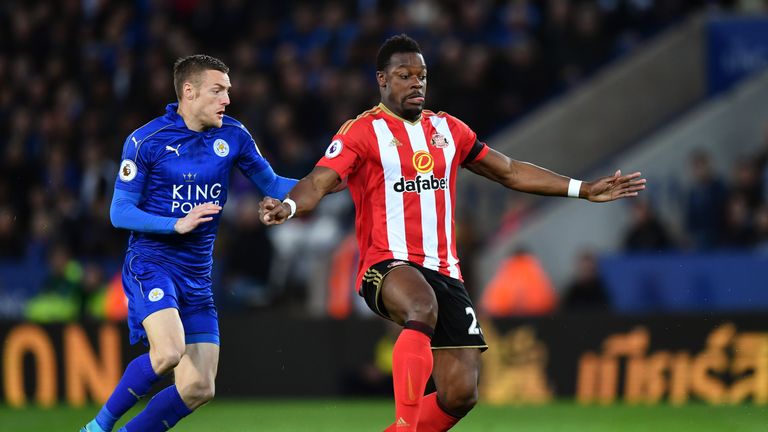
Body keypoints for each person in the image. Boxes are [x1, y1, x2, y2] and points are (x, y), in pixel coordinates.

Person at [259, 34, 646, 431]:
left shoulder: (448, 130)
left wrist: (582, 189)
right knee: (420, 307)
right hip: (386, 264)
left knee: (461, 393)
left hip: (446, 270)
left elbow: (509, 171)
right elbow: (318, 182)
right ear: (382, 80)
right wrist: (288, 206)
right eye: (404, 75)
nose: (416, 83)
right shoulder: (362, 132)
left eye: (421, 75)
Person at [81, 54, 297, 432]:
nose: (226, 100)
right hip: (152, 263)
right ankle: (96, 428)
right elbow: (120, 211)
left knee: (199, 387)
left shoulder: (234, 135)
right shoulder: (146, 140)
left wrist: (337, 177)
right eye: (218, 91)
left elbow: (275, 186)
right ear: (189, 91)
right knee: (167, 352)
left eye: (227, 91)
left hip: (197, 277)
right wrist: (175, 223)